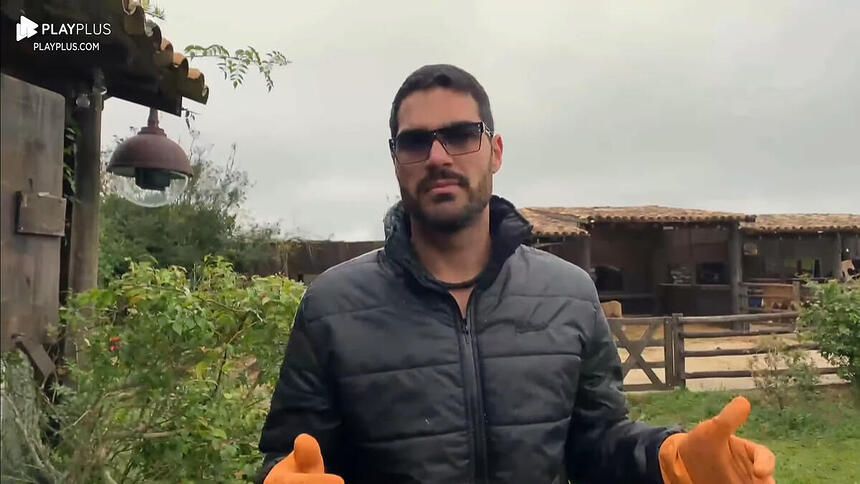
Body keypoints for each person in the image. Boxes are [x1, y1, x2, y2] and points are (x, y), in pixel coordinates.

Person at [257, 64, 776, 484]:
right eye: (415, 142)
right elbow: (292, 459)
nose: (437, 157)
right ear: (396, 161)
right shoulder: (332, 305)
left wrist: (669, 459)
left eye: (460, 135)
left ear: (495, 151)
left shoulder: (569, 294)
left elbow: (597, 444)